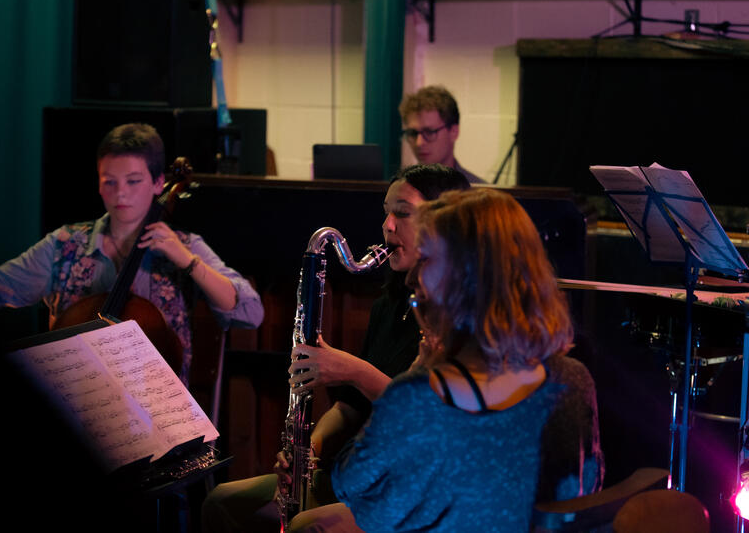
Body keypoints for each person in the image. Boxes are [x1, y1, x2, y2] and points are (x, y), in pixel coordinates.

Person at [201, 164, 471, 533]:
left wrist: (354, 371)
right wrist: (307, 453)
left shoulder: (467, 314)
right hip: (359, 467)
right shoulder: (391, 304)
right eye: (386, 213)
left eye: (403, 213)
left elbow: (432, 416)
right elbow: (350, 407)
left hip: (415, 482)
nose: (388, 226)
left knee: (308, 526)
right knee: (222, 503)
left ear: (446, 221)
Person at [331, 188, 602, 531]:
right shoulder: (571, 379)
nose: (413, 277)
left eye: (426, 258)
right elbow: (581, 493)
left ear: (466, 276)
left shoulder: (418, 395)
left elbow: (352, 484)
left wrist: (418, 374)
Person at [0, 123, 263, 385]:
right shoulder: (64, 245)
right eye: (109, 182)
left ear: (157, 183)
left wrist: (189, 262)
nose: (120, 194)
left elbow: (251, 313)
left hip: (160, 415)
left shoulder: (184, 246)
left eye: (133, 181)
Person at [399, 85, 486, 184]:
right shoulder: (399, 190)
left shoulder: (477, 192)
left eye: (429, 132)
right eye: (413, 133)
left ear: (453, 132)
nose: (419, 143)